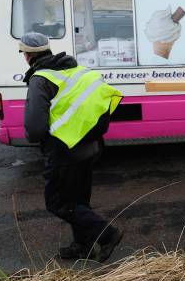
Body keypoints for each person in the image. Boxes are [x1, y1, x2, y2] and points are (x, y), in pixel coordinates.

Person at [20, 32, 124, 263]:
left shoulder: (40, 79)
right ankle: (83, 245)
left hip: (64, 152)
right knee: (78, 201)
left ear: (27, 56)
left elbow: (34, 128)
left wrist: (35, 137)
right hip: (89, 147)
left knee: (59, 203)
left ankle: (107, 234)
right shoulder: (76, 70)